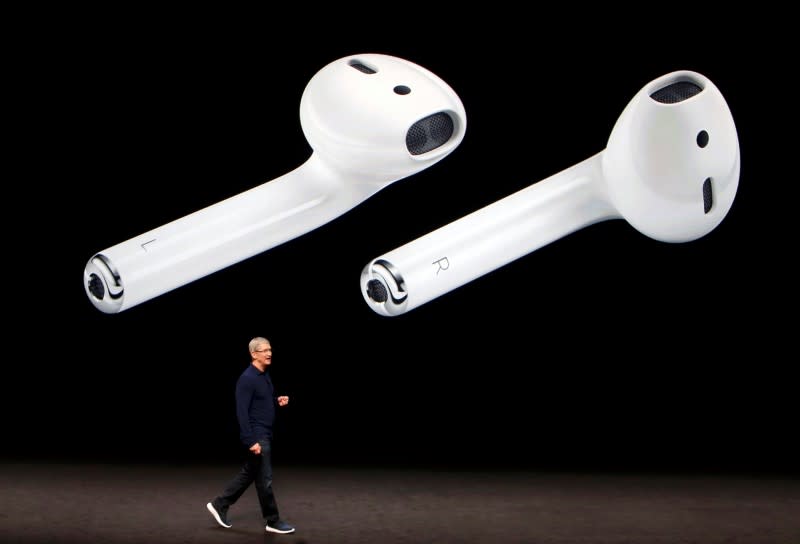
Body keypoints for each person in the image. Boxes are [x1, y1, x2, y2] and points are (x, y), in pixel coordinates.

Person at [206, 337, 296, 534]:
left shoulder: (264, 375)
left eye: (270, 349)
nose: (269, 353)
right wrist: (250, 440)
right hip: (257, 436)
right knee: (265, 479)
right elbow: (242, 412)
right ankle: (272, 520)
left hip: (264, 433)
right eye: (264, 350)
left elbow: (261, 403)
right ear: (253, 354)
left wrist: (276, 401)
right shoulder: (247, 379)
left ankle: (220, 504)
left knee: (250, 474)